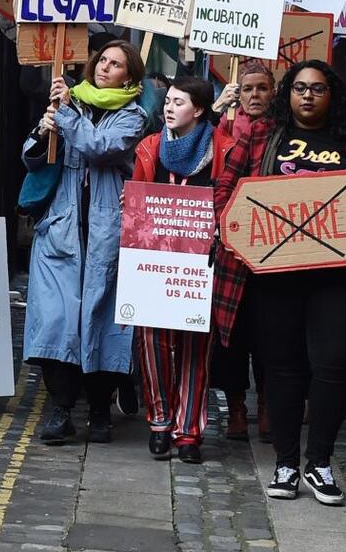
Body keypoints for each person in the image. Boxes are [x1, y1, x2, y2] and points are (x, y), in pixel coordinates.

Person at [213, 60, 346, 505]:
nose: (307, 96)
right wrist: (233, 225)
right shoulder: (259, 135)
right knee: (283, 371)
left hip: (336, 278)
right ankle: (287, 464)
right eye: (298, 88)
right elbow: (224, 190)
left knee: (333, 367)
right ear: (286, 94)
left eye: (317, 88)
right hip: (275, 277)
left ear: (332, 94)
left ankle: (321, 464)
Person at [23, 39, 146, 445]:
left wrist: (69, 114)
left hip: (107, 233)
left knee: (100, 320)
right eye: (103, 61)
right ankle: (59, 409)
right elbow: (32, 158)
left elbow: (99, 147)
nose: (105, 68)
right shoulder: (70, 103)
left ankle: (98, 409)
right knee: (57, 320)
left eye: (116, 65)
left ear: (130, 77)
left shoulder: (134, 117)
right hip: (62, 228)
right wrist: (44, 132)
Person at [132, 77, 235, 464]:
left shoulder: (223, 148)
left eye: (179, 102)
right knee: (154, 344)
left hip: (201, 264)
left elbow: (231, 200)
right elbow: (138, 205)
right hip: (154, 262)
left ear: (201, 110)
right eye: (168, 101)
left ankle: (188, 430)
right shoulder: (150, 148)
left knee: (195, 348)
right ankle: (159, 422)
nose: (169, 108)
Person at [210, 60, 275, 441]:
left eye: (261, 88)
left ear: (272, 92)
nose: (254, 95)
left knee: (269, 334)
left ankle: (267, 403)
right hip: (234, 248)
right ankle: (236, 407)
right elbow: (220, 180)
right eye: (247, 89)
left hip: (270, 248)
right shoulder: (226, 129)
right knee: (229, 336)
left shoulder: (282, 132)